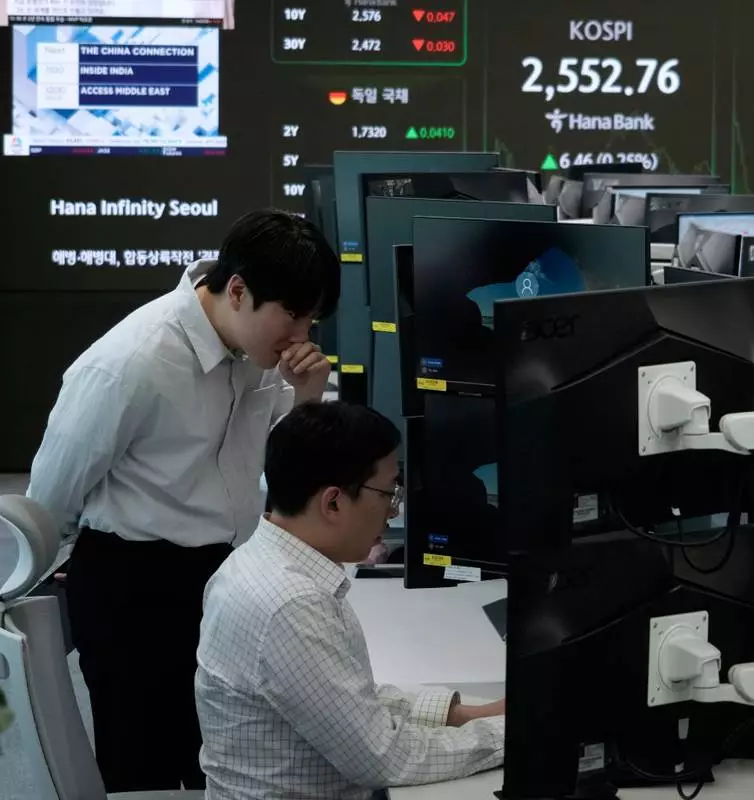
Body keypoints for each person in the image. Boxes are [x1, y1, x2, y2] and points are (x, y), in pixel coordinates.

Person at [26, 209, 340, 791]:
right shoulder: (131, 362)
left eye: (312, 319)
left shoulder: (267, 358)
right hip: (134, 586)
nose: (302, 336)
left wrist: (309, 400)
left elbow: (285, 477)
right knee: (141, 765)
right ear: (238, 291)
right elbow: (49, 498)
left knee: (225, 758)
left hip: (225, 576)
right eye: (293, 316)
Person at [195, 401, 505, 799]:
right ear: (334, 502)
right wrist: (512, 733)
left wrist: (464, 715)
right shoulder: (291, 605)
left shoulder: (260, 562)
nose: (392, 513)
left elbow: (348, 701)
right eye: (388, 493)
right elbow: (384, 758)